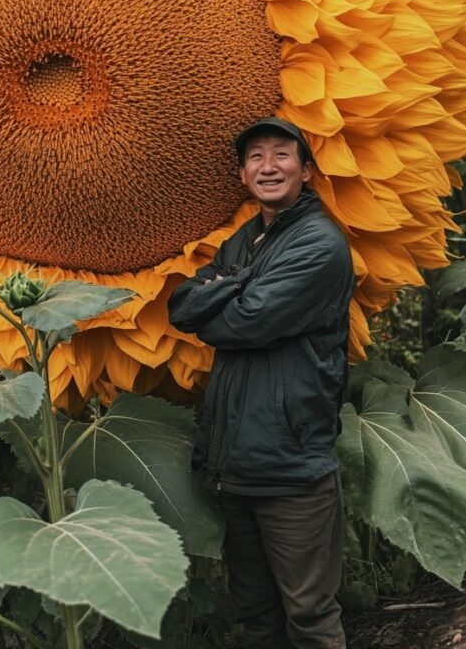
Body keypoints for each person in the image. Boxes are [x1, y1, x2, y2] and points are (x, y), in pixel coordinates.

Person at [168, 116, 354, 649]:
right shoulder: (248, 239)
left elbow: (243, 322)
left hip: (291, 467)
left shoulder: (318, 244)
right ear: (242, 174)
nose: (268, 166)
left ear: (307, 171)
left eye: (282, 154)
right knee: (256, 618)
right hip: (237, 465)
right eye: (255, 157)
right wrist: (233, 287)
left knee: (310, 617)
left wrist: (228, 288)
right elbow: (182, 307)